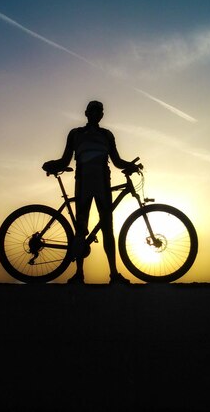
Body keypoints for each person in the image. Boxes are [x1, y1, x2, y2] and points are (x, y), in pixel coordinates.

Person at [43, 100, 140, 284]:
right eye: (93, 111)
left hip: (102, 182)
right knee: (81, 229)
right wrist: (52, 164)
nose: (96, 114)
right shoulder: (75, 134)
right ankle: (79, 274)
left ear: (102, 115)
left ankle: (113, 274)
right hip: (83, 183)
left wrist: (130, 165)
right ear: (86, 113)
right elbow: (65, 160)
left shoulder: (107, 135)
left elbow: (117, 161)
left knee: (107, 229)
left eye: (99, 111)